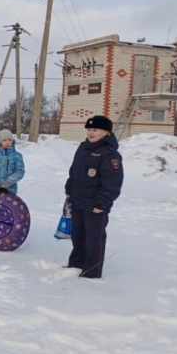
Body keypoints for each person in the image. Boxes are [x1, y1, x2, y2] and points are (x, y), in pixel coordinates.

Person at [65, 115, 123, 279]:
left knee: (93, 239)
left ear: (105, 132)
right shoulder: (83, 148)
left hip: (95, 205)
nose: (91, 133)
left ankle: (91, 272)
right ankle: (76, 264)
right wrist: (69, 190)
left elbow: (113, 183)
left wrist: (102, 203)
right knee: (78, 235)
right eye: (89, 129)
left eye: (95, 130)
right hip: (78, 201)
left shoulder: (110, 155)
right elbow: (74, 171)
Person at [0, 129, 25, 194]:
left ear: (12, 141)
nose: (7, 142)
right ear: (0, 142)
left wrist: (8, 182)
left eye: (9, 140)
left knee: (7, 204)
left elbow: (20, 171)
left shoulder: (17, 156)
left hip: (10, 190)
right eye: (4, 140)